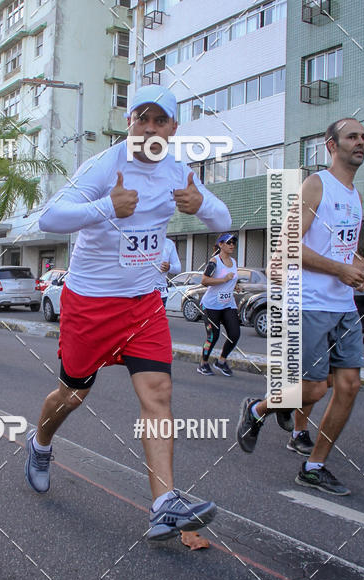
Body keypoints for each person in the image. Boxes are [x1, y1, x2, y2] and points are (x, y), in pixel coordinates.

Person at [24, 85, 232, 541]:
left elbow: (222, 220)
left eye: (161, 121)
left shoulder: (180, 171)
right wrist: (106, 208)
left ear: (173, 129)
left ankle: (163, 504)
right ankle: (40, 444)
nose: (150, 128)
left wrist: (203, 206)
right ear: (130, 123)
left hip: (143, 304)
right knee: (72, 396)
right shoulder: (106, 165)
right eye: (143, 118)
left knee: (157, 393)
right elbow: (49, 218)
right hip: (90, 304)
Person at [237, 118, 364, 495]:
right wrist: (341, 268)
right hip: (311, 305)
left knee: (349, 385)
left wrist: (358, 265)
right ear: (332, 145)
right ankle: (257, 410)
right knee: (311, 392)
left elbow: (339, 247)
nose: (361, 142)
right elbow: (287, 248)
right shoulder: (316, 186)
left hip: (344, 306)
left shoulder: (354, 195)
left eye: (363, 137)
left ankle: (314, 465)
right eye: (352, 137)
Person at [197, 233, 241, 377]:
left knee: (234, 334)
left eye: (234, 242)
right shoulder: (214, 261)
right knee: (213, 336)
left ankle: (221, 362)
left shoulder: (234, 262)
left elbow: (231, 279)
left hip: (228, 304)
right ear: (221, 245)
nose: (232, 245)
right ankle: (203, 363)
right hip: (211, 305)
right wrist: (223, 280)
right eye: (229, 242)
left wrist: (235, 286)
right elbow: (204, 280)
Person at [155, 237, 181, 308]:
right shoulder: (140, 239)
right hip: (141, 291)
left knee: (158, 319)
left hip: (160, 292)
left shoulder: (168, 243)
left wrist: (169, 267)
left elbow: (178, 268)